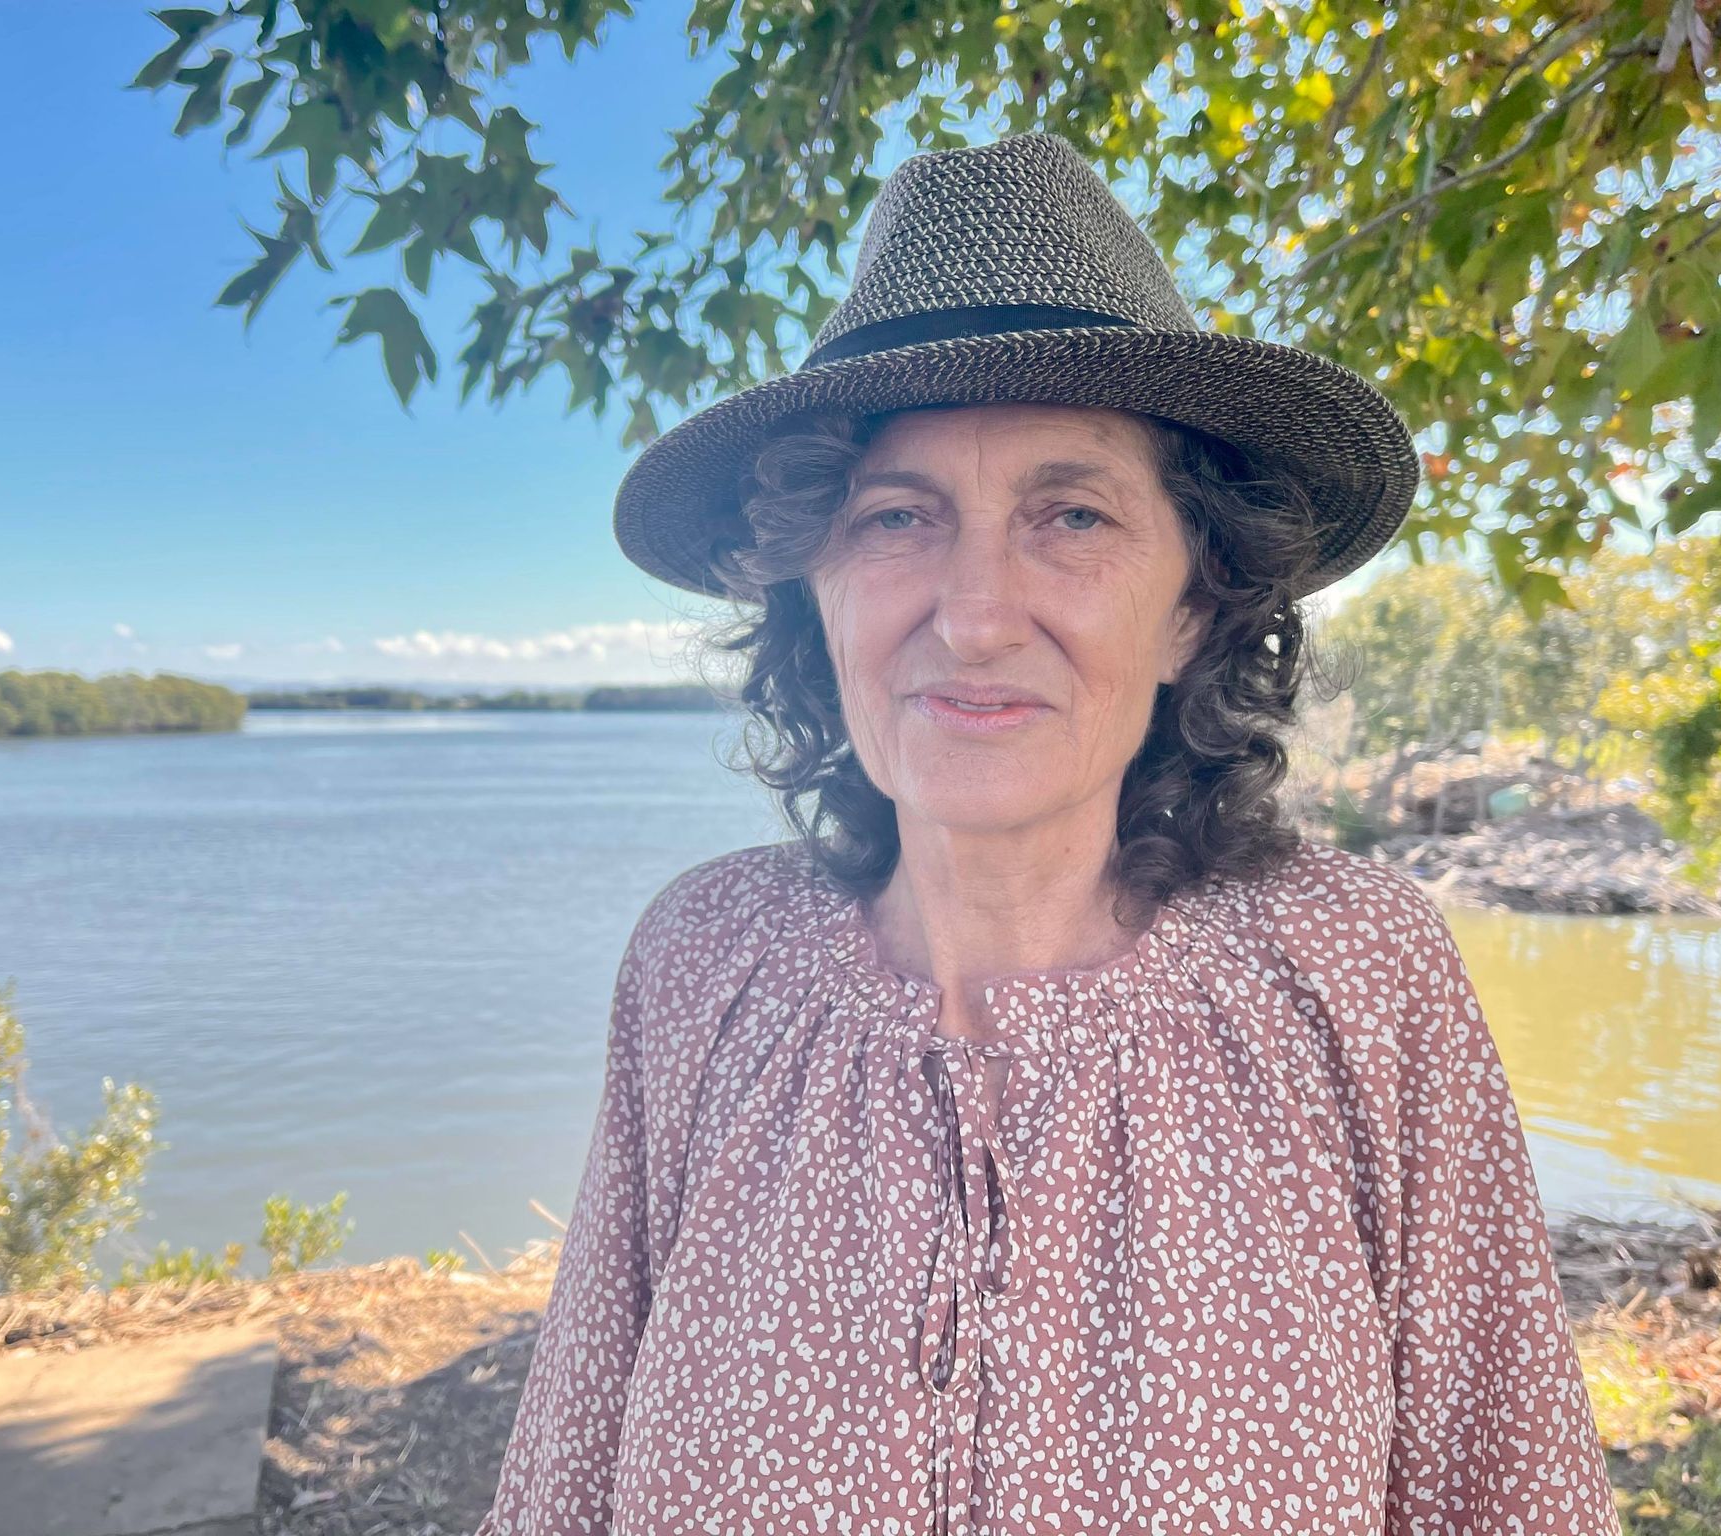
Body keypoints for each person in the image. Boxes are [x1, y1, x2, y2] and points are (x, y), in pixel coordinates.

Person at [472, 132, 1621, 1535]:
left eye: (1070, 514)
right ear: (812, 592)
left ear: (1196, 601)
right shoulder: (705, 961)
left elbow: (1509, 1489)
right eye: (896, 517)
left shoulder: (1357, 973)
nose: (972, 615)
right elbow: (568, 1475)